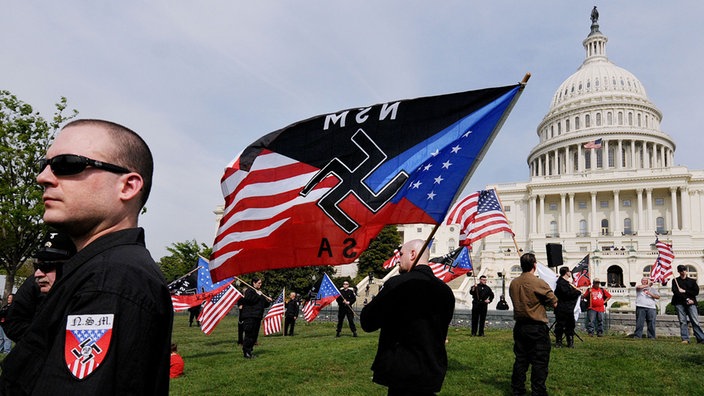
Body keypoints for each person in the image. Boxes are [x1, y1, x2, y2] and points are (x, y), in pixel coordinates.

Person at [0, 119, 173, 395]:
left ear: (128, 186)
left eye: (67, 164)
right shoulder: (98, 269)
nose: (43, 177)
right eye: (43, 165)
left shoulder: (111, 279)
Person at [360, 239, 455, 395]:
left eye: (401, 254)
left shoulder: (398, 284)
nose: (399, 259)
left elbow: (368, 322)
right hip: (432, 369)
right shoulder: (445, 291)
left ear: (413, 254)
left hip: (402, 372)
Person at [3, 232, 76, 343]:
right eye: (37, 266)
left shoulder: (88, 287)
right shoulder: (32, 284)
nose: (38, 273)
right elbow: (13, 323)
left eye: (46, 266)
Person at [509, 253, 558, 396]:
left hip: (520, 326)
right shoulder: (538, 282)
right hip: (536, 326)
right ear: (534, 266)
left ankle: (517, 390)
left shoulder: (514, 283)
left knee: (521, 360)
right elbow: (554, 302)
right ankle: (538, 391)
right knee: (539, 361)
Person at [671, 265, 704, 344]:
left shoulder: (692, 281)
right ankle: (685, 339)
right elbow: (676, 292)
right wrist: (687, 298)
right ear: (678, 271)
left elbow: (695, 292)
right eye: (681, 270)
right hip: (679, 302)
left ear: (686, 271)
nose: (683, 272)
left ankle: (701, 338)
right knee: (682, 321)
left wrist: (685, 292)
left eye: (684, 270)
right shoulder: (675, 280)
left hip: (691, 303)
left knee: (695, 321)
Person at [240, 277, 271, 358]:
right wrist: (258, 295)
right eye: (258, 283)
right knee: (249, 334)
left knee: (254, 335)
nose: (260, 285)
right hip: (250, 316)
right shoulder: (249, 291)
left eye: (261, 283)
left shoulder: (259, 292)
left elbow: (264, 304)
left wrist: (268, 300)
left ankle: (250, 351)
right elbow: (250, 300)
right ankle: (246, 352)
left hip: (257, 317)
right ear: (254, 283)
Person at [553, 267, 582, 348]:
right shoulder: (561, 283)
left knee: (570, 325)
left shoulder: (566, 283)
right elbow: (567, 294)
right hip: (562, 308)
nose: (570, 272)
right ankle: (559, 342)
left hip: (568, 308)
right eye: (569, 271)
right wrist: (577, 292)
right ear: (566, 272)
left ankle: (570, 342)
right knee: (560, 325)